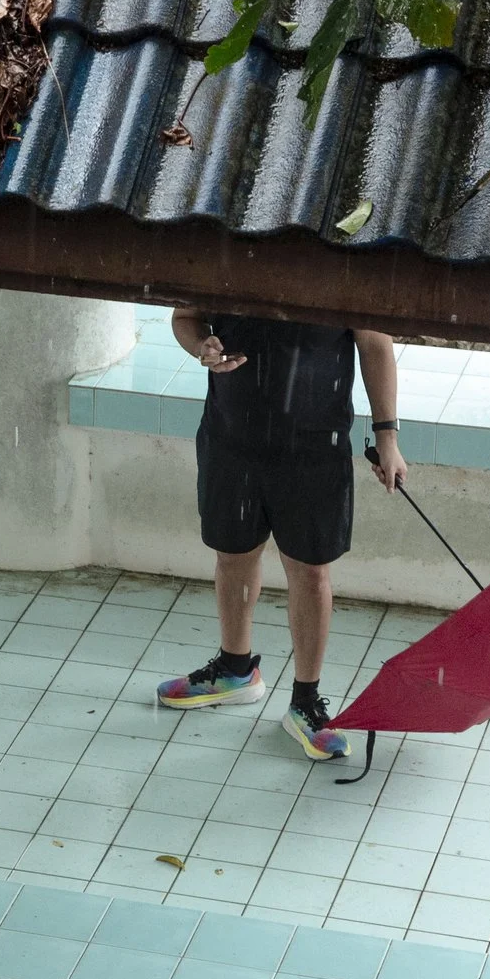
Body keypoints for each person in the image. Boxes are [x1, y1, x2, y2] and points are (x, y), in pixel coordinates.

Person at [153, 308, 406, 760]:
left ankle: (305, 703)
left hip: (314, 448)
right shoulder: (228, 251)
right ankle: (235, 670)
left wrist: (387, 436)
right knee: (233, 555)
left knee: (310, 573)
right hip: (231, 438)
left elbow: (375, 343)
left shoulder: (339, 260)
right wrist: (200, 347)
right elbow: (185, 316)